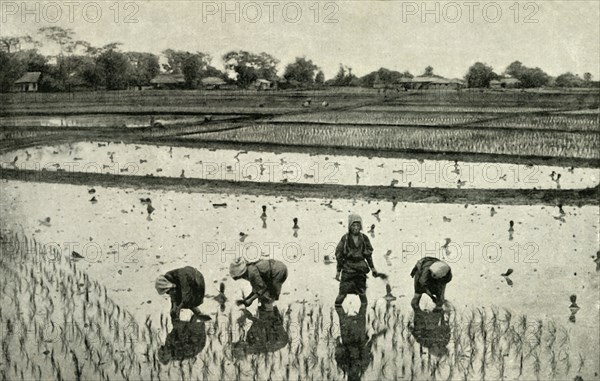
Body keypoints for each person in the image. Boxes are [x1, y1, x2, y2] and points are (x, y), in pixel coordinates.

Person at [334, 213, 379, 306]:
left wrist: (373, 268)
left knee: (362, 294)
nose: (355, 227)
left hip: (360, 269)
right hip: (348, 269)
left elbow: (368, 255)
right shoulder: (345, 238)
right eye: (353, 225)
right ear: (349, 226)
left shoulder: (364, 238)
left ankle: (362, 317)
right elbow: (339, 255)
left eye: (358, 225)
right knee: (341, 295)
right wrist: (338, 271)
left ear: (360, 226)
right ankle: (340, 315)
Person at [334, 304, 386, 381]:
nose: (353, 373)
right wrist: (372, 339)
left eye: (352, 377)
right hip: (357, 336)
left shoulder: (345, 366)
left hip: (349, 336)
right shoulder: (362, 365)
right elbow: (367, 349)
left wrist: (338, 342)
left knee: (340, 309)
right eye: (355, 377)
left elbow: (338, 354)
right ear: (358, 377)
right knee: (362, 308)